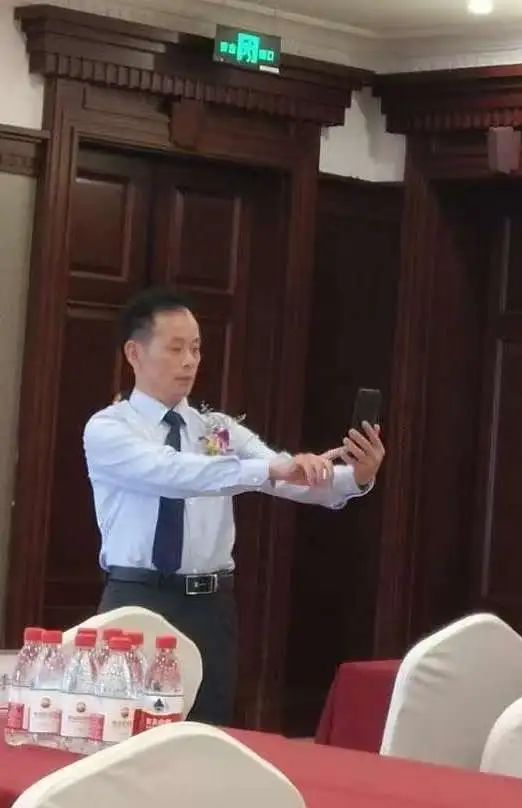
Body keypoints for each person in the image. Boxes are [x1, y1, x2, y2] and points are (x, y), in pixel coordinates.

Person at [83, 288, 385, 725]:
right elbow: (174, 472)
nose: (189, 361)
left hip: (209, 605)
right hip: (137, 595)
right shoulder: (109, 428)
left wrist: (354, 476)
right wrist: (270, 469)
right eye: (175, 349)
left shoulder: (215, 428)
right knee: (122, 727)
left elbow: (285, 476)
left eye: (196, 348)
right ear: (134, 353)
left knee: (205, 729)